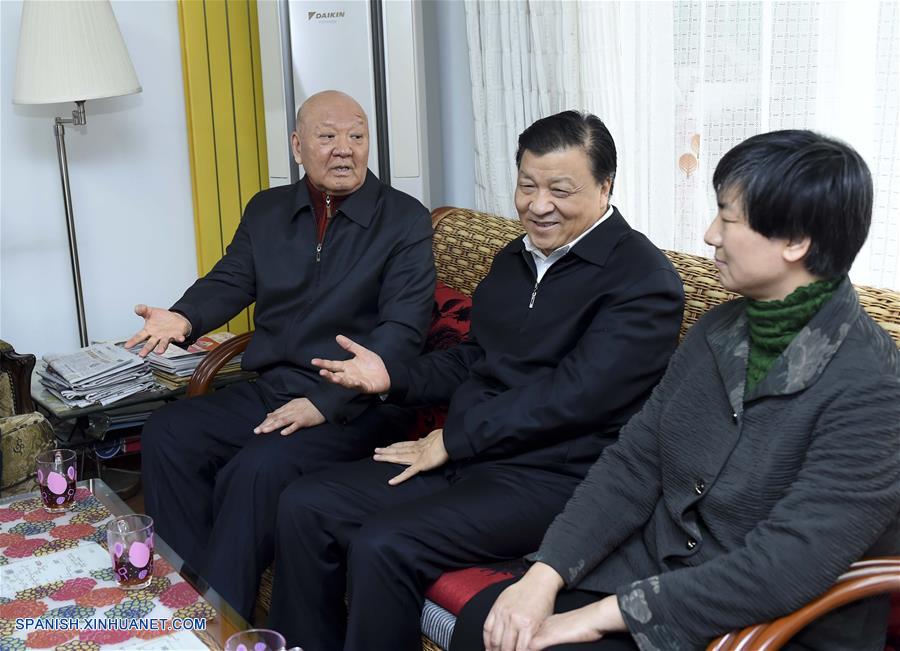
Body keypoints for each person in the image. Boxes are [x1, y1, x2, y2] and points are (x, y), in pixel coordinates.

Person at [453, 129, 900, 651]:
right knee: (488, 621)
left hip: (769, 620)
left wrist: (605, 614)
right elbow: (634, 463)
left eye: (728, 218)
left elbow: (785, 566)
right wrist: (544, 575)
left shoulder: (873, 389)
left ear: (796, 242)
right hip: (652, 570)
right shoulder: (719, 330)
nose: (711, 234)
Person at [266, 111, 686, 651]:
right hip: (472, 454)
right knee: (306, 504)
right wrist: (391, 377)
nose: (538, 205)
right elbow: (474, 360)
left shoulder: (644, 282)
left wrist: (456, 439)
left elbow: (574, 398)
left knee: (383, 544)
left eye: (560, 190)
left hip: (554, 477)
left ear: (607, 186)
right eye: (527, 185)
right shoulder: (516, 258)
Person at [126, 90, 435, 619]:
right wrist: (183, 317)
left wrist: (325, 402)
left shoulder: (403, 220)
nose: (345, 149)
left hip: (357, 406)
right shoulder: (268, 209)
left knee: (258, 469)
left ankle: (217, 624)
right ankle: (182, 595)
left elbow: (403, 332)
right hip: (270, 389)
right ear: (297, 145)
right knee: (168, 432)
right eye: (327, 136)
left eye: (357, 136)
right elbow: (230, 279)